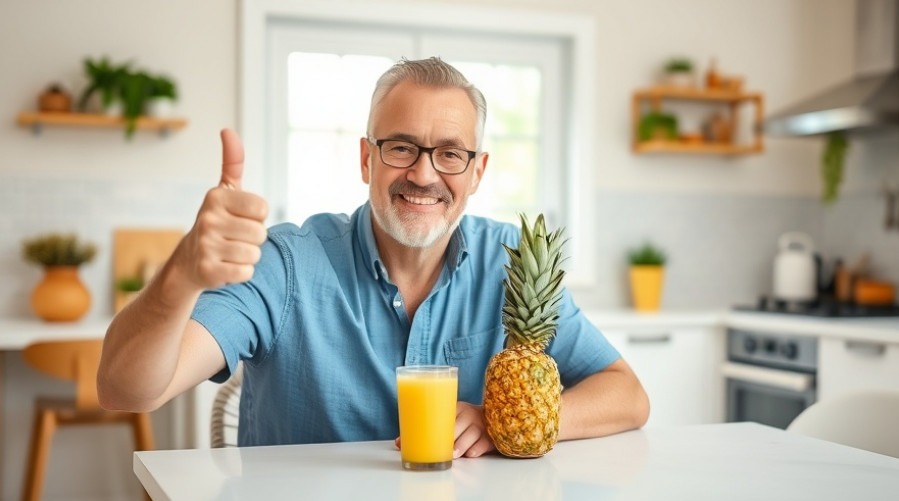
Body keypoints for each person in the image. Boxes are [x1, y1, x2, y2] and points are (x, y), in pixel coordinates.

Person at [98, 57, 649, 458]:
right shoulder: (285, 263)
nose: (424, 174)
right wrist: (181, 275)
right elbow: (125, 390)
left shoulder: (510, 263)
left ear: (477, 172)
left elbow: (627, 395)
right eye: (401, 146)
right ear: (367, 158)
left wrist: (504, 421)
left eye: (450, 153)